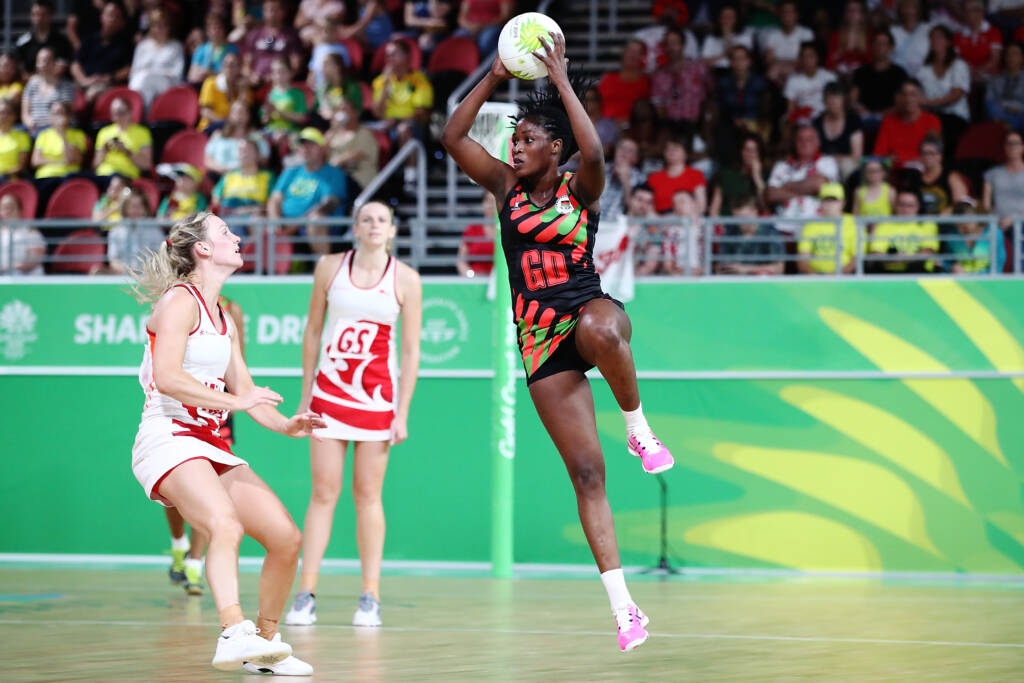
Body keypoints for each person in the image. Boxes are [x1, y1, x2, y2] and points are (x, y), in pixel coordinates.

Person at [442, 34, 672, 652]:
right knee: (587, 475)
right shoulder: (503, 188)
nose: (514, 144)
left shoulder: (582, 187)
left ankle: (638, 425)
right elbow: (453, 137)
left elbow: (593, 146)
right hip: (540, 340)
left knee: (598, 327)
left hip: (591, 312)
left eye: (526, 138)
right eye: (513, 137)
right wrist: (492, 75)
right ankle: (625, 610)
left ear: (556, 148)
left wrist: (561, 79)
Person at [129, 211, 322, 676]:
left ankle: (265, 646)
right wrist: (236, 400)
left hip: (207, 441)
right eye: (225, 233)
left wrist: (285, 425)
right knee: (225, 526)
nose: (236, 238)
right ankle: (233, 631)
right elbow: (168, 378)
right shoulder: (179, 302)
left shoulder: (223, 317)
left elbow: (248, 393)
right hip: (167, 436)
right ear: (202, 249)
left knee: (286, 538)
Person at [284, 201, 422, 629]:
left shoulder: (406, 278)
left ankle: (370, 595)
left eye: (382, 219)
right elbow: (311, 332)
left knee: (368, 497)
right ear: (356, 227)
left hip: (376, 402)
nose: (374, 225)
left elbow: (412, 351)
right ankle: (305, 593)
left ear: (392, 229)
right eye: (366, 219)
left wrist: (402, 413)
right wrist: (305, 396)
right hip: (329, 397)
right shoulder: (328, 267)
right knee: (323, 494)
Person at [267, 127, 349, 258]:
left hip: (316, 225)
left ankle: (325, 269)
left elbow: (328, 204)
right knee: (258, 221)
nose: (306, 149)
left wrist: (296, 225)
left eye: (311, 145)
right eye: (303, 145)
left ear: (322, 149)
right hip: (286, 224)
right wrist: (276, 222)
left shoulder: (334, 173)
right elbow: (275, 199)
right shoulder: (290, 172)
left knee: (316, 221)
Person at [70, 0, 133, 104]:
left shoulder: (126, 45)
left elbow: (129, 69)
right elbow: (75, 64)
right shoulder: (89, 40)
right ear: (101, 16)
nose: (111, 19)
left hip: (108, 86)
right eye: (109, 15)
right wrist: (84, 80)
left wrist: (110, 78)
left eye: (116, 16)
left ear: (122, 22)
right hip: (84, 83)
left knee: (93, 95)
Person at [872, 78, 941, 168]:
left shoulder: (932, 121)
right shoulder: (888, 121)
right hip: (892, 171)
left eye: (913, 94)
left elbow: (933, 155)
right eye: (904, 94)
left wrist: (900, 158)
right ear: (898, 98)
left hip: (921, 171)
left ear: (921, 97)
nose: (908, 99)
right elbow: (879, 155)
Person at [868, 189, 938, 272]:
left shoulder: (927, 224)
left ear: (919, 207)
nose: (905, 209)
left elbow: (928, 251)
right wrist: (893, 259)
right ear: (895, 206)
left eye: (910, 205)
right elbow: (875, 252)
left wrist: (906, 259)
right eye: (901, 204)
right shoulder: (884, 224)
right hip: (888, 272)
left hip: (919, 272)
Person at [128, 8, 185, 107]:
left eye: (164, 25)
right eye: (156, 26)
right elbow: (134, 72)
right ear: (151, 27)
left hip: (167, 84)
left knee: (148, 81)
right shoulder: (142, 46)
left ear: (169, 27)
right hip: (141, 84)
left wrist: (157, 73)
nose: (160, 29)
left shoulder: (176, 46)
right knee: (143, 82)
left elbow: (178, 74)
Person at [797, 182, 857, 274]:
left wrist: (834, 277)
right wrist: (815, 277)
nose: (829, 204)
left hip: (843, 280)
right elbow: (803, 259)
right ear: (820, 202)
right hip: (815, 279)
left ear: (843, 203)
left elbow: (856, 259)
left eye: (833, 200)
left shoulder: (853, 223)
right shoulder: (810, 224)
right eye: (826, 200)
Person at [716, 194, 783, 275]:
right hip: (735, 282)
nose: (740, 222)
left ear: (755, 211)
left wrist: (746, 269)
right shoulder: (730, 232)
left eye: (744, 217)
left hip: (762, 283)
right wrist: (726, 268)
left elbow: (779, 268)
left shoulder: (770, 233)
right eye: (736, 218)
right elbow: (721, 265)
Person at [93, 96, 154, 183]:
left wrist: (126, 151)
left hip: (125, 176)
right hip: (103, 175)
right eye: (115, 113)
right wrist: (104, 151)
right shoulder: (103, 132)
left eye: (122, 112)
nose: (118, 116)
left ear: (130, 112)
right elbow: (95, 165)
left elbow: (146, 165)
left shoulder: (142, 133)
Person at [21, 47, 76, 136]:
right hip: (35, 129)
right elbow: (25, 113)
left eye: (47, 61)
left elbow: (67, 113)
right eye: (40, 61)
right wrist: (30, 123)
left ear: (54, 63)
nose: (43, 64)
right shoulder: (31, 84)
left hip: (57, 129)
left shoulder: (65, 86)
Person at [645, 134, 707, 214]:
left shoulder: (695, 175)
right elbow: (647, 204)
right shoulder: (654, 177)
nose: (671, 151)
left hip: (686, 221)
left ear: (686, 153)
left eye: (676, 148)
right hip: (659, 222)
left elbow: (701, 206)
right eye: (667, 149)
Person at [758, 0, 815, 85]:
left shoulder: (806, 33)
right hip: (778, 74)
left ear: (797, 15)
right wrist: (787, 65)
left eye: (790, 12)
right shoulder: (772, 35)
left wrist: (784, 64)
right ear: (779, 14)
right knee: (772, 72)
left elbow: (808, 59)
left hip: (799, 70)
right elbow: (769, 60)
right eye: (784, 12)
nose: (787, 15)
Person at [325, 101, 378, 191]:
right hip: (336, 177)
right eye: (340, 110)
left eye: (346, 110)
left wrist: (339, 161)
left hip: (358, 178)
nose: (342, 113)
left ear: (355, 113)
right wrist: (333, 129)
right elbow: (321, 152)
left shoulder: (364, 132)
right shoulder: (333, 134)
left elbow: (359, 154)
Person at [945, 200, 1006, 274]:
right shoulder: (953, 237)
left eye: (968, 222)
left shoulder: (994, 233)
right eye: (959, 225)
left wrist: (968, 275)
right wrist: (952, 268)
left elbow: (998, 267)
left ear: (976, 216)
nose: (965, 228)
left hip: (987, 282)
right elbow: (948, 262)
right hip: (960, 281)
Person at [596, 40, 650, 123]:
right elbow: (595, 105)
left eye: (637, 52)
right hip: (605, 126)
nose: (632, 55)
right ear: (623, 53)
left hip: (635, 127)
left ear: (643, 57)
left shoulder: (647, 82)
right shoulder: (608, 79)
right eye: (630, 51)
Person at [15, 0, 73, 78]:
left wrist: (43, 82)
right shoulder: (23, 42)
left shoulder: (62, 41)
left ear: (51, 15)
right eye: (35, 14)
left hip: (56, 85)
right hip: (29, 85)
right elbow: (21, 69)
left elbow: (61, 68)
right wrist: (33, 82)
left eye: (43, 14)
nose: (39, 18)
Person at [983, 131, 1024, 234]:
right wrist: (993, 221)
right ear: (1004, 147)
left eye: (1016, 143)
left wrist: (1013, 220)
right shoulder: (992, 174)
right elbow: (986, 205)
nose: (1012, 147)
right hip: (996, 224)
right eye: (1009, 143)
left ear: (1022, 147)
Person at [188, 12, 240, 85]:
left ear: (224, 29)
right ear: (207, 31)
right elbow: (191, 76)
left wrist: (210, 73)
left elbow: (235, 73)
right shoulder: (200, 50)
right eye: (213, 28)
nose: (216, 31)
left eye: (219, 27)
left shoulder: (232, 49)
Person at [0, 194, 45, 275]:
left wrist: (8, 268)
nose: (8, 211)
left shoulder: (31, 232)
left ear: (20, 210)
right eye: (4, 208)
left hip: (24, 279)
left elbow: (34, 261)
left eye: (11, 207)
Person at [986, 42, 1024, 131]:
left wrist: (1017, 109)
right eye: (1007, 54)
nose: (1010, 57)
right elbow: (989, 101)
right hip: (999, 116)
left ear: (1023, 57)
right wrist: (1001, 113)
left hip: (1020, 115)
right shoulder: (995, 79)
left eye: (1014, 54)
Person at [456, 191, 496, 277]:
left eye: (494, 201)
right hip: (476, 280)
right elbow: (461, 261)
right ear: (483, 204)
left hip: (501, 282)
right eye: (488, 201)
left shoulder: (506, 229)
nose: (491, 205)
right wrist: (470, 276)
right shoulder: (472, 229)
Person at [0, 99, 31, 181]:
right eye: (2, 112)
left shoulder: (22, 136)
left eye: (8, 113)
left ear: (14, 116)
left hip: (9, 178)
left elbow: (21, 166)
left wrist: (5, 173)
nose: (4, 116)